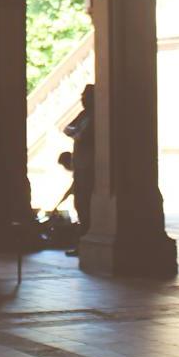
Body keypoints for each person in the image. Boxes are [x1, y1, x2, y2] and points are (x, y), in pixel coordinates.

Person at [64, 84, 96, 246]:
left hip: (89, 167)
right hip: (80, 166)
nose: (83, 100)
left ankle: (85, 242)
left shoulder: (96, 116)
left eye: (86, 97)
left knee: (87, 205)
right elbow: (67, 128)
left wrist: (77, 134)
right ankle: (82, 242)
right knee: (80, 204)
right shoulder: (84, 115)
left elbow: (85, 136)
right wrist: (77, 133)